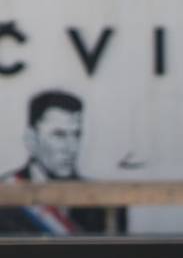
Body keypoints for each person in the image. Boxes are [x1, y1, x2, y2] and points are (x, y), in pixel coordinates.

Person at [0, 90, 116, 235]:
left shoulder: (102, 204)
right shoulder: (6, 196)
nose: (72, 147)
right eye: (59, 135)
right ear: (32, 139)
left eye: (76, 134)